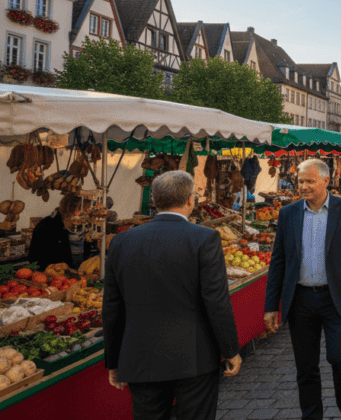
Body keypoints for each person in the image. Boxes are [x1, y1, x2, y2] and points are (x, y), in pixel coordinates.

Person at [103, 171, 241, 420]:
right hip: (194, 356)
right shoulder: (204, 238)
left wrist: (113, 360)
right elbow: (216, 301)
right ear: (190, 200)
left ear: (154, 201)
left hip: (140, 356)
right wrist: (230, 349)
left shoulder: (122, 242)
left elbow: (112, 306)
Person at [264, 159, 341, 420]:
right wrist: (270, 306)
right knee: (305, 366)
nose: (304, 186)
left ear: (326, 181)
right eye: (301, 181)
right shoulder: (288, 213)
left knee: (340, 356)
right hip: (300, 300)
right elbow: (278, 261)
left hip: (336, 297)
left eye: (310, 181)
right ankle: (311, 414)